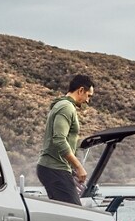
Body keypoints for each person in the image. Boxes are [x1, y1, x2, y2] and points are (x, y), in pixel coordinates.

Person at [36, 75, 94, 204]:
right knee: (74, 212)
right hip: (54, 168)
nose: (88, 101)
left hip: (56, 168)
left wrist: (71, 170)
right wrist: (78, 166)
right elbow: (59, 140)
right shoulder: (66, 107)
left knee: (66, 212)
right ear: (80, 90)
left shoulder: (63, 105)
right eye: (88, 96)